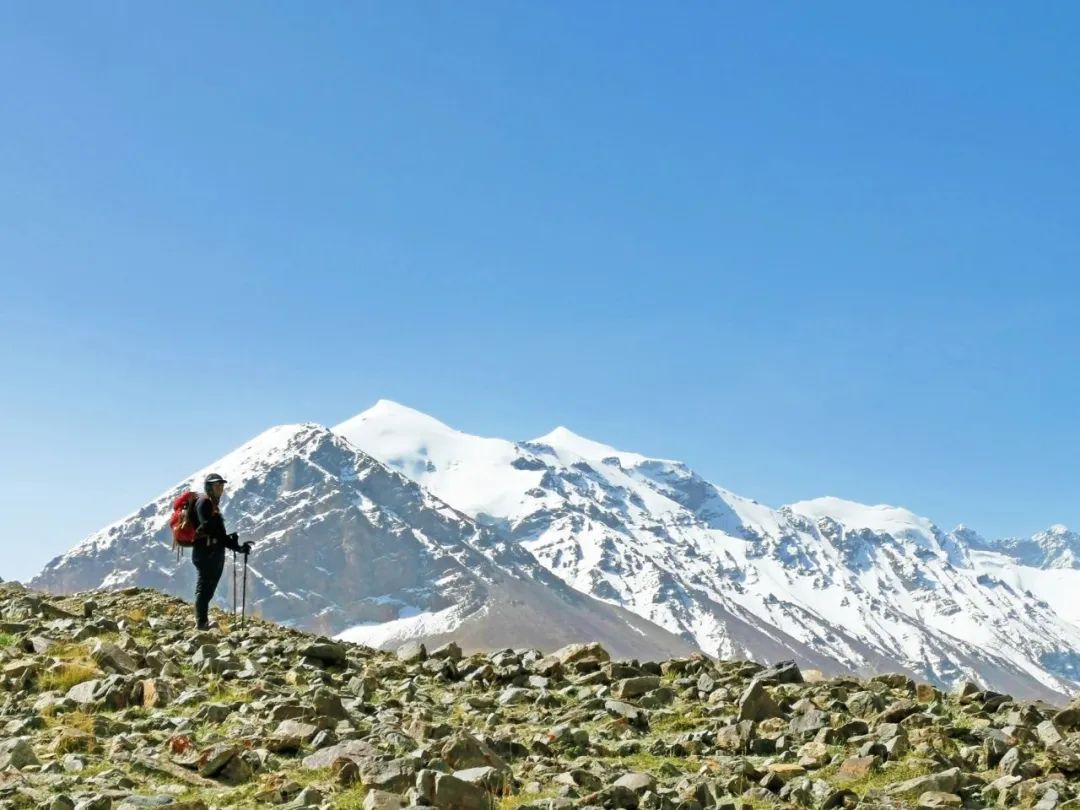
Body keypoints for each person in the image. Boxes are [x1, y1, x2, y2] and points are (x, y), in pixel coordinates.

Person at [192, 473, 252, 630]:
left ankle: (202, 621)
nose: (220, 489)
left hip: (211, 552)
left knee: (208, 589)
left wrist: (235, 545)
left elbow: (216, 533)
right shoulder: (204, 503)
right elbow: (211, 530)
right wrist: (234, 544)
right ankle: (201, 623)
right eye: (216, 486)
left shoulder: (211, 504)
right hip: (206, 553)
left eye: (221, 486)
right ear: (209, 487)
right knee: (205, 588)